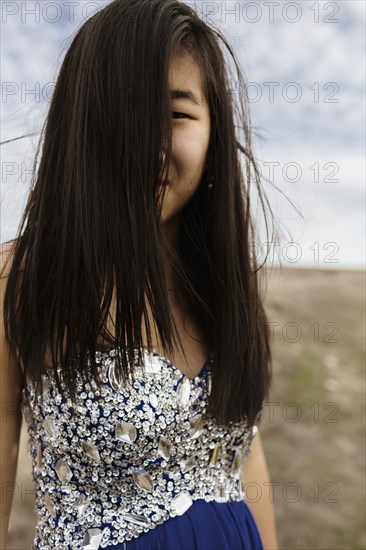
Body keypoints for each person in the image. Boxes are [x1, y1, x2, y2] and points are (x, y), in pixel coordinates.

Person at [0, 0, 279, 548]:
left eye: (177, 114)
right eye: (122, 112)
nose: (146, 145)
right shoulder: (23, 277)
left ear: (212, 131)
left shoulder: (221, 284)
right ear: (78, 125)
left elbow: (246, 465)